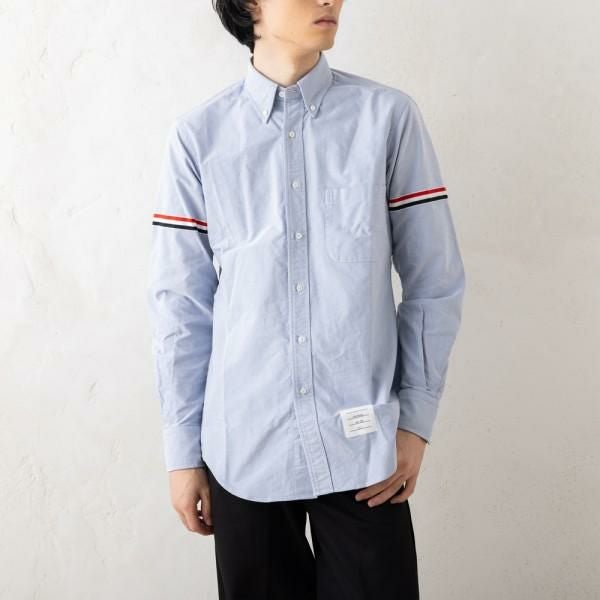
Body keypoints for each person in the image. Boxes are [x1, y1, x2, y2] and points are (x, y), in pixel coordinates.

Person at [146, 0, 466, 598]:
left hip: (364, 449)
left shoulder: (387, 119)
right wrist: (182, 452)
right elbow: (181, 308)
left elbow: (435, 280)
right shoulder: (197, 139)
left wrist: (415, 423)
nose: (330, 0)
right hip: (243, 449)